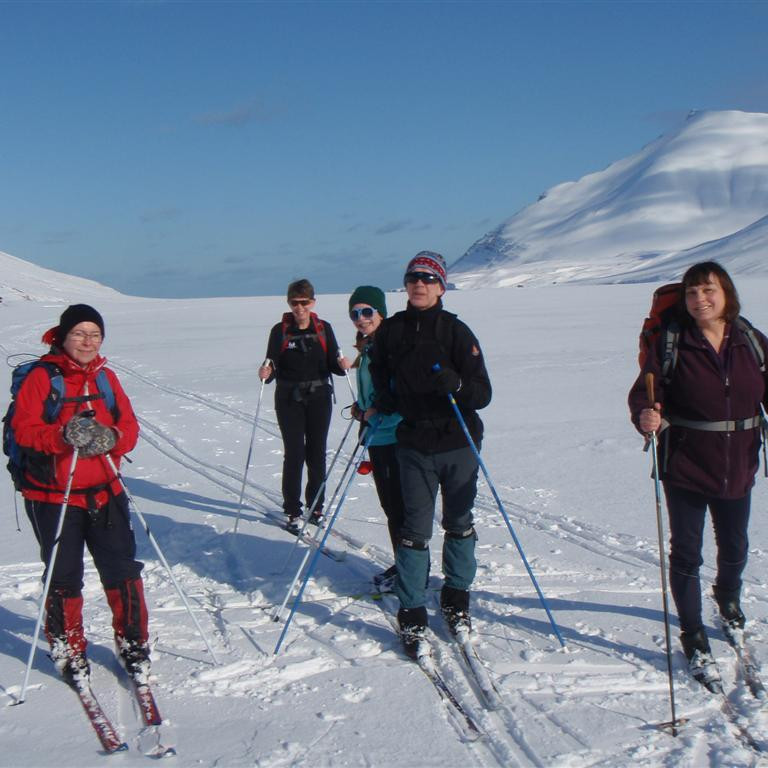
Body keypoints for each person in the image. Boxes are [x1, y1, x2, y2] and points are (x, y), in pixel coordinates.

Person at [628, 261, 768, 687]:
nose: (700, 299)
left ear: (726, 293)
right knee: (686, 552)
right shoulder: (672, 343)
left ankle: (728, 600)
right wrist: (645, 416)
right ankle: (692, 634)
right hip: (686, 463)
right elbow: (644, 393)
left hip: (739, 461)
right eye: (691, 293)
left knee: (736, 545)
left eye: (708, 290)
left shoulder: (751, 341)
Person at [12, 304, 149, 684]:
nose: (88, 342)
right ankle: (68, 646)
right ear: (63, 336)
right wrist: (61, 437)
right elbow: (24, 430)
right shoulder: (43, 378)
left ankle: (133, 642)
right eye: (80, 334)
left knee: (122, 571)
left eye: (95, 335)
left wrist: (115, 437)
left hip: (105, 491)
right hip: (53, 496)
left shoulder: (105, 378)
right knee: (63, 576)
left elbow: (130, 425)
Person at [370, 251, 492, 658]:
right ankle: (412, 613)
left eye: (427, 278)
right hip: (414, 444)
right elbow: (381, 375)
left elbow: (483, 393)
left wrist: (456, 384)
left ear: (441, 286)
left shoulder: (456, 331)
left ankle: (456, 600)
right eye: (412, 278)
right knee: (413, 530)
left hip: (457, 441)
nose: (418, 284)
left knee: (458, 522)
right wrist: (383, 400)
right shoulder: (391, 331)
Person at [259, 279, 350, 533]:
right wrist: (266, 372)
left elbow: (333, 364)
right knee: (295, 453)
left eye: (304, 302)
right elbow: (272, 364)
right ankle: (292, 510)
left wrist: (343, 367)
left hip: (320, 398)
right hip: (289, 399)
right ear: (289, 303)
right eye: (294, 303)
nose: (299, 308)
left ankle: (316, 507)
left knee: (317, 453)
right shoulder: (280, 331)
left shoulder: (324, 328)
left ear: (312, 303)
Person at [347, 286, 406, 590]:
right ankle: (405, 565)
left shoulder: (389, 346)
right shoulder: (368, 348)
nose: (361, 318)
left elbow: (398, 390)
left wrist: (374, 410)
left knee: (399, 506)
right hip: (378, 435)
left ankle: (410, 570)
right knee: (391, 506)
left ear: (380, 313)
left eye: (367, 311)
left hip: (395, 434)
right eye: (355, 313)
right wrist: (361, 409)